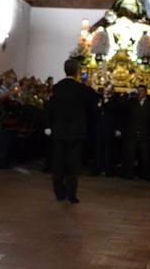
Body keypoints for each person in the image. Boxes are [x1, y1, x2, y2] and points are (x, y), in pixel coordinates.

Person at [45, 57, 96, 203]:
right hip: (76, 131)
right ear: (77, 71)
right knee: (73, 164)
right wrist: (88, 85)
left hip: (59, 130)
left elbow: (50, 108)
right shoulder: (82, 89)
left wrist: (49, 126)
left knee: (58, 162)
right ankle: (71, 194)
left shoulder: (57, 87)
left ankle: (59, 193)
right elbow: (93, 103)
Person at [122, 84, 150, 180]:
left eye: (141, 91)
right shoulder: (131, 102)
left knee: (145, 157)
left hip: (145, 134)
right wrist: (127, 94)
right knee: (130, 156)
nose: (139, 93)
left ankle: (144, 175)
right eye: (138, 91)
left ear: (146, 92)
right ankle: (129, 174)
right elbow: (122, 105)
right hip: (132, 134)